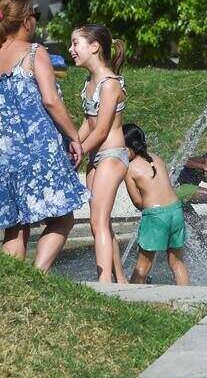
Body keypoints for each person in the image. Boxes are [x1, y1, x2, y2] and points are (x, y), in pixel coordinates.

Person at [0, 0, 86, 271]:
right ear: (27, 21)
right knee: (63, 218)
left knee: (15, 228)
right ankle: (38, 275)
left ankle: (14, 282)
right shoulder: (33, 53)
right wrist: (74, 136)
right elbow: (51, 100)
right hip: (37, 152)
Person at [71, 24, 128, 283]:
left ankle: (103, 284)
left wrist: (79, 151)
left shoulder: (109, 84)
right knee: (101, 224)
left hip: (112, 156)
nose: (70, 50)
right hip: (96, 158)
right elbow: (89, 123)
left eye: (75, 44)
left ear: (94, 47)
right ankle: (120, 280)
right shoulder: (90, 81)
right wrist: (73, 144)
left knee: (98, 221)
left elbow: (103, 129)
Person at [122, 123, 190, 285]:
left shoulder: (129, 169)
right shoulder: (157, 159)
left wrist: (148, 211)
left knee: (143, 266)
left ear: (129, 147)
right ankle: (188, 300)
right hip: (176, 210)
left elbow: (138, 201)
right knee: (177, 262)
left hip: (155, 216)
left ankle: (131, 301)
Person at [176, 152, 207, 235]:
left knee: (198, 224)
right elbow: (183, 161)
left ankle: (205, 244)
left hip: (179, 199)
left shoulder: (200, 173)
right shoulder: (203, 161)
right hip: (177, 189)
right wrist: (204, 166)